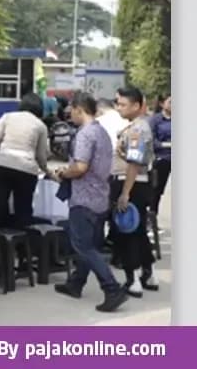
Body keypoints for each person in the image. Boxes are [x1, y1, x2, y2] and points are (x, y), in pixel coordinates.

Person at [51, 93, 128, 312]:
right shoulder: (102, 132)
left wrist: (64, 173)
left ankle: (112, 288)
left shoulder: (85, 134)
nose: (69, 115)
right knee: (90, 245)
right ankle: (76, 283)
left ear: (78, 109)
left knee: (82, 246)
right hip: (100, 197)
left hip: (84, 198)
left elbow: (81, 167)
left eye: (71, 111)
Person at [110, 86, 158, 297]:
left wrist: (125, 193)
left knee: (127, 232)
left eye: (122, 104)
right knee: (138, 232)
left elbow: (134, 163)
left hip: (133, 184)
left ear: (137, 106)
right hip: (138, 184)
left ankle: (134, 279)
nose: (119, 108)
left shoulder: (138, 129)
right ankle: (149, 273)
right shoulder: (135, 127)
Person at [0, 93, 51, 230]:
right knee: (23, 211)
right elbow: (41, 155)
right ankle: (23, 246)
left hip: (1, 166)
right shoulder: (40, 125)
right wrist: (47, 170)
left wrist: (1, 150)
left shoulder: (8, 116)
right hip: (26, 170)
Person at [148, 95, 171, 216]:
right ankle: (151, 217)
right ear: (162, 104)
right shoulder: (155, 120)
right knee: (156, 190)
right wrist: (166, 145)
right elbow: (151, 140)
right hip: (161, 159)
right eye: (170, 102)